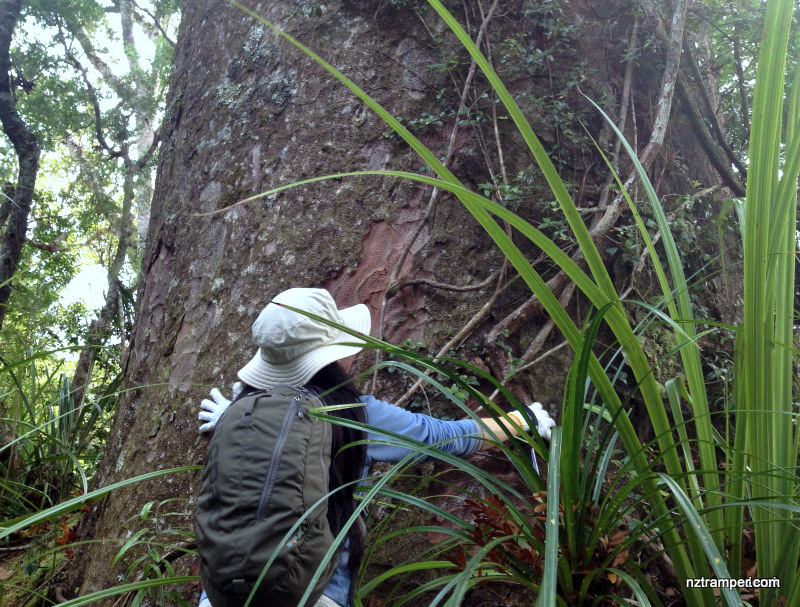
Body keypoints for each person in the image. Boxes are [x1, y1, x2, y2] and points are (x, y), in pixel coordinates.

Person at [196, 287, 555, 607]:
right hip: (314, 594)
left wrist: (229, 416)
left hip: (218, 596)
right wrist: (523, 421)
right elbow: (445, 437)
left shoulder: (239, 409)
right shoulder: (355, 415)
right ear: (331, 357)